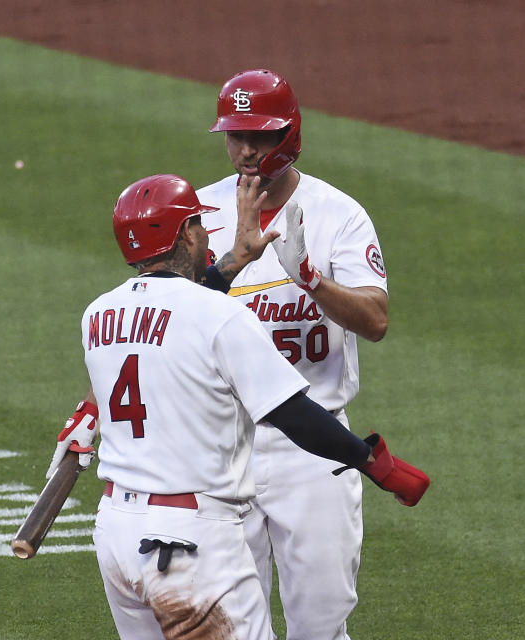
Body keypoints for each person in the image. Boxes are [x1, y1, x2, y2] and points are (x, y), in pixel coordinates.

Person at [53, 173, 427, 640]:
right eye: (198, 225)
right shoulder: (220, 315)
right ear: (186, 234)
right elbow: (294, 415)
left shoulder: (98, 314)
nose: (207, 234)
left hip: (118, 533)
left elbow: (180, 310)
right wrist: (375, 464)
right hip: (189, 537)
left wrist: (234, 262)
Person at [196, 69, 398, 640]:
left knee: (320, 622)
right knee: (232, 628)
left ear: (290, 135)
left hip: (314, 452)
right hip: (224, 450)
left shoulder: (337, 214)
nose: (244, 150)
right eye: (234, 135)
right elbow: (167, 316)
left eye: (259, 136)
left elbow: (376, 321)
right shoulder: (200, 217)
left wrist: (313, 281)